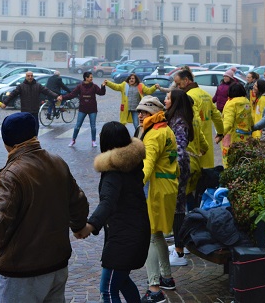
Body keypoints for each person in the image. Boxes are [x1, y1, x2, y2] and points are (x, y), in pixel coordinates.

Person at [0, 112, 89, 302]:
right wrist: (79, 226)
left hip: (23, 272)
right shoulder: (57, 161)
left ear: (8, 142)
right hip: (57, 265)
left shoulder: (13, 173)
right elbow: (77, 200)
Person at [73, 121, 150, 303]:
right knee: (121, 280)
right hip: (136, 231)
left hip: (124, 238)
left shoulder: (114, 172)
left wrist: (90, 225)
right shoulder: (133, 164)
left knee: (107, 290)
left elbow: (107, 202)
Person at [134, 96, 179, 303]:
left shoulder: (153, 135)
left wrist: (133, 187)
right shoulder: (166, 129)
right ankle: (167, 278)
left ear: (154, 113)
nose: (140, 115)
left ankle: (154, 289)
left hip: (155, 190)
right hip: (167, 188)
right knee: (158, 233)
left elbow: (147, 164)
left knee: (151, 236)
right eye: (139, 112)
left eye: (144, 112)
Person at [163, 89, 195, 267]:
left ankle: (180, 251)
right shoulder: (175, 118)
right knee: (177, 209)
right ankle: (178, 244)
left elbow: (180, 151)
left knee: (178, 209)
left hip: (177, 171)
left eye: (168, 98)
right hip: (177, 169)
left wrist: (171, 167)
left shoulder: (179, 121)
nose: (165, 100)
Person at [174, 69, 224, 170]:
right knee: (206, 176)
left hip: (194, 145)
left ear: (186, 80)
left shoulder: (188, 97)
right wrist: (220, 133)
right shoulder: (205, 95)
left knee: (194, 179)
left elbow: (194, 120)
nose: (178, 87)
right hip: (207, 145)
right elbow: (217, 116)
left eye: (178, 84)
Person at [63, 71, 107, 147]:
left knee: (93, 126)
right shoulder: (80, 86)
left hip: (92, 109)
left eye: (92, 77)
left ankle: (93, 141)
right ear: (86, 78)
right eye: (90, 77)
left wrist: (103, 86)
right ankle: (73, 140)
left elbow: (101, 93)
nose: (92, 78)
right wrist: (63, 97)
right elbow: (72, 94)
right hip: (82, 109)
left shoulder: (94, 86)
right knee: (78, 125)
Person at [216, 83, 253, 168]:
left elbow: (228, 123)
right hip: (246, 136)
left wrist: (220, 134)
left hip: (232, 137)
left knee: (230, 161)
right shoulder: (246, 102)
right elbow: (250, 119)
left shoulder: (231, 104)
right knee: (243, 161)